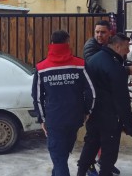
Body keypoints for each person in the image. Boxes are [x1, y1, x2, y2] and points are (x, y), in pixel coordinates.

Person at [31, 30, 95, 176]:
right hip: (74, 118)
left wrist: (42, 119)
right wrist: (87, 111)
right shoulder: (80, 64)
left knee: (59, 159)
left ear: (51, 43)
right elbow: (92, 92)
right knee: (61, 156)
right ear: (67, 43)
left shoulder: (42, 67)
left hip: (54, 120)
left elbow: (37, 97)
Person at [82, 20, 132, 175]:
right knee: (108, 152)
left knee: (91, 144)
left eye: (103, 32)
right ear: (118, 46)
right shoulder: (111, 64)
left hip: (95, 112)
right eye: (127, 48)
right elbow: (121, 99)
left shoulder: (99, 57)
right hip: (108, 116)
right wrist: (129, 125)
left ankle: (82, 171)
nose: (128, 51)